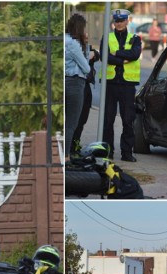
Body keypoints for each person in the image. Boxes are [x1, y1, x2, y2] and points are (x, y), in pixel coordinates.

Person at [100, 9, 141, 162]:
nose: (119, 23)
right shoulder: (107, 37)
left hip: (127, 85)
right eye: (116, 21)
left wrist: (116, 53)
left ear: (127, 21)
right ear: (114, 22)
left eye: (121, 20)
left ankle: (127, 153)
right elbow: (104, 57)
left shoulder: (135, 38)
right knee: (108, 120)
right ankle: (107, 152)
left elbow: (135, 55)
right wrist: (121, 59)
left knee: (128, 120)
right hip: (110, 84)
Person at [65, 13, 91, 162]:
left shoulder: (64, 39)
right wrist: (86, 46)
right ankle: (66, 156)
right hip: (75, 84)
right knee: (71, 123)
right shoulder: (74, 44)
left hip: (65, 80)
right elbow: (86, 68)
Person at [71, 35, 100, 156]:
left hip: (86, 86)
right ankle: (71, 147)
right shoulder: (73, 47)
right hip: (78, 84)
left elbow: (97, 55)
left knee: (83, 118)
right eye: (85, 35)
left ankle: (76, 144)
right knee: (76, 119)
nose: (87, 37)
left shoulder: (87, 48)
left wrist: (93, 53)